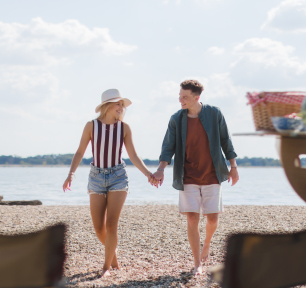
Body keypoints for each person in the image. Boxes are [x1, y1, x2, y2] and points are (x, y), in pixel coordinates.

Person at [151, 79, 239, 275]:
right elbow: (168, 146)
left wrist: (233, 166)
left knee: (213, 219)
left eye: (185, 97)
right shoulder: (176, 119)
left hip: (212, 174)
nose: (180, 100)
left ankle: (206, 243)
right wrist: (160, 169)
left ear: (197, 97)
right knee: (192, 218)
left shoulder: (214, 113)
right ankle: (197, 262)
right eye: (180, 96)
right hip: (187, 175)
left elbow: (226, 140)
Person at [63, 89, 154, 277]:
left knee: (112, 225)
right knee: (99, 228)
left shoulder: (124, 128)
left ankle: (106, 268)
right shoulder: (91, 126)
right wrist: (71, 174)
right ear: (106, 106)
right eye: (117, 104)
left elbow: (133, 156)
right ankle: (114, 259)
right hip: (96, 177)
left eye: (122, 104)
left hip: (118, 177)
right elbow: (80, 152)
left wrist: (148, 174)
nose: (121, 107)